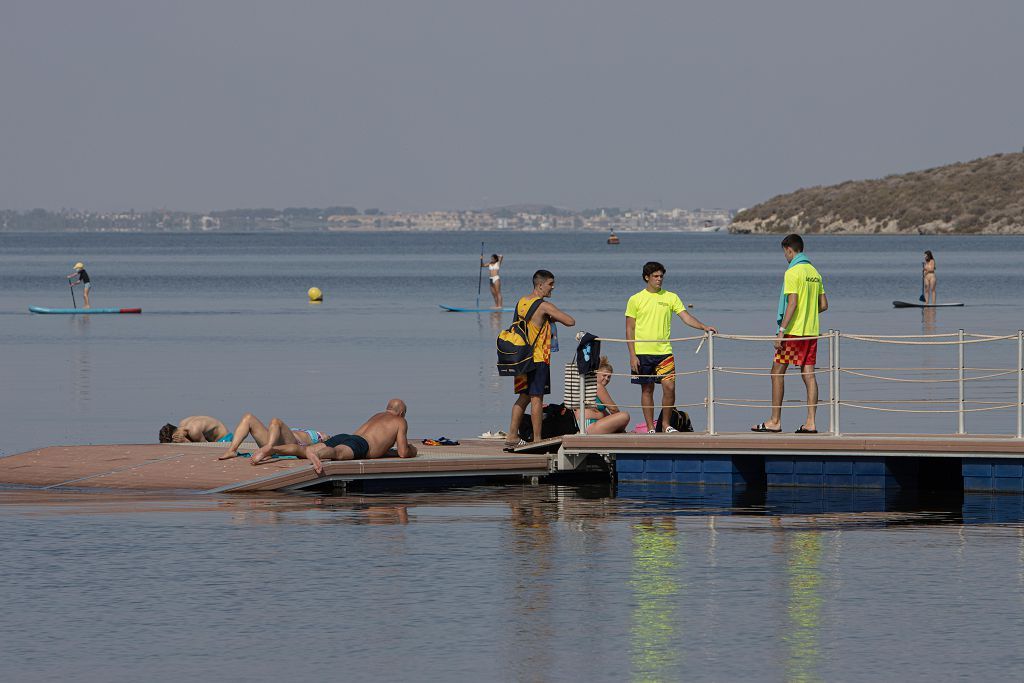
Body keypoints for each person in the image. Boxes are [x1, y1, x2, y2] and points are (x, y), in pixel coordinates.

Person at [626, 261, 716, 433]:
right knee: (647, 389)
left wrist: (704, 326)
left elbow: (685, 317)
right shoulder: (635, 299)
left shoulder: (671, 297)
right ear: (647, 278)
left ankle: (666, 424)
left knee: (669, 387)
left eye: (661, 276)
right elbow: (629, 328)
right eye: (656, 276)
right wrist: (632, 354)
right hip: (642, 352)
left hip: (664, 352)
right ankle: (651, 427)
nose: (659, 279)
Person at [751, 233, 828, 434]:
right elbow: (824, 305)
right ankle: (811, 422)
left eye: (784, 253)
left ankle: (775, 421)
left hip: (793, 332)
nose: (785, 256)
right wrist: (808, 312)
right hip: (811, 332)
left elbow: (792, 303)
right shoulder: (814, 272)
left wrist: (781, 332)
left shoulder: (793, 272)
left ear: (789, 250)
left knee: (776, 372)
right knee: (809, 374)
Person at [248, 399, 418, 475]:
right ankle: (318, 455)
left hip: (347, 436)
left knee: (303, 450)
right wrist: (413, 450)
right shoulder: (400, 421)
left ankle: (271, 449)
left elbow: (377, 442)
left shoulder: (377, 415)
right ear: (401, 413)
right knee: (336, 454)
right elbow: (403, 452)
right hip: (359, 444)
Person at [505, 270, 576, 450]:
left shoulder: (521, 302)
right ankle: (537, 439)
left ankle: (512, 435)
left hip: (520, 358)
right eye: (551, 284)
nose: (553, 287)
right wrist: (553, 318)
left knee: (523, 397)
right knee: (537, 398)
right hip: (537, 358)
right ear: (540, 285)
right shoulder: (544, 306)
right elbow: (570, 321)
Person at [218, 413, 329, 460]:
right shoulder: (314, 433)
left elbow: (326, 444)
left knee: (276, 421)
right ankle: (232, 450)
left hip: (294, 445)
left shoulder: (319, 436)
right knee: (248, 418)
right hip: (276, 441)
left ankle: (268, 448)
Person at [576, 356, 631, 434]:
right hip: (589, 426)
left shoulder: (589, 385)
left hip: (583, 425)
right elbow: (613, 409)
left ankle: (620, 431)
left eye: (609, 377)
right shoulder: (598, 386)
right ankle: (621, 432)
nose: (606, 379)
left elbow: (606, 413)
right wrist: (620, 423)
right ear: (596, 373)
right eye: (604, 375)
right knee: (625, 416)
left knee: (617, 417)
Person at [159, 416, 230, 443]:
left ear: (175, 436)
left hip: (224, 440)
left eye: (175, 442)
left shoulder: (194, 431)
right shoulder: (183, 423)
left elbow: (207, 447)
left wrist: (186, 441)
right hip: (213, 438)